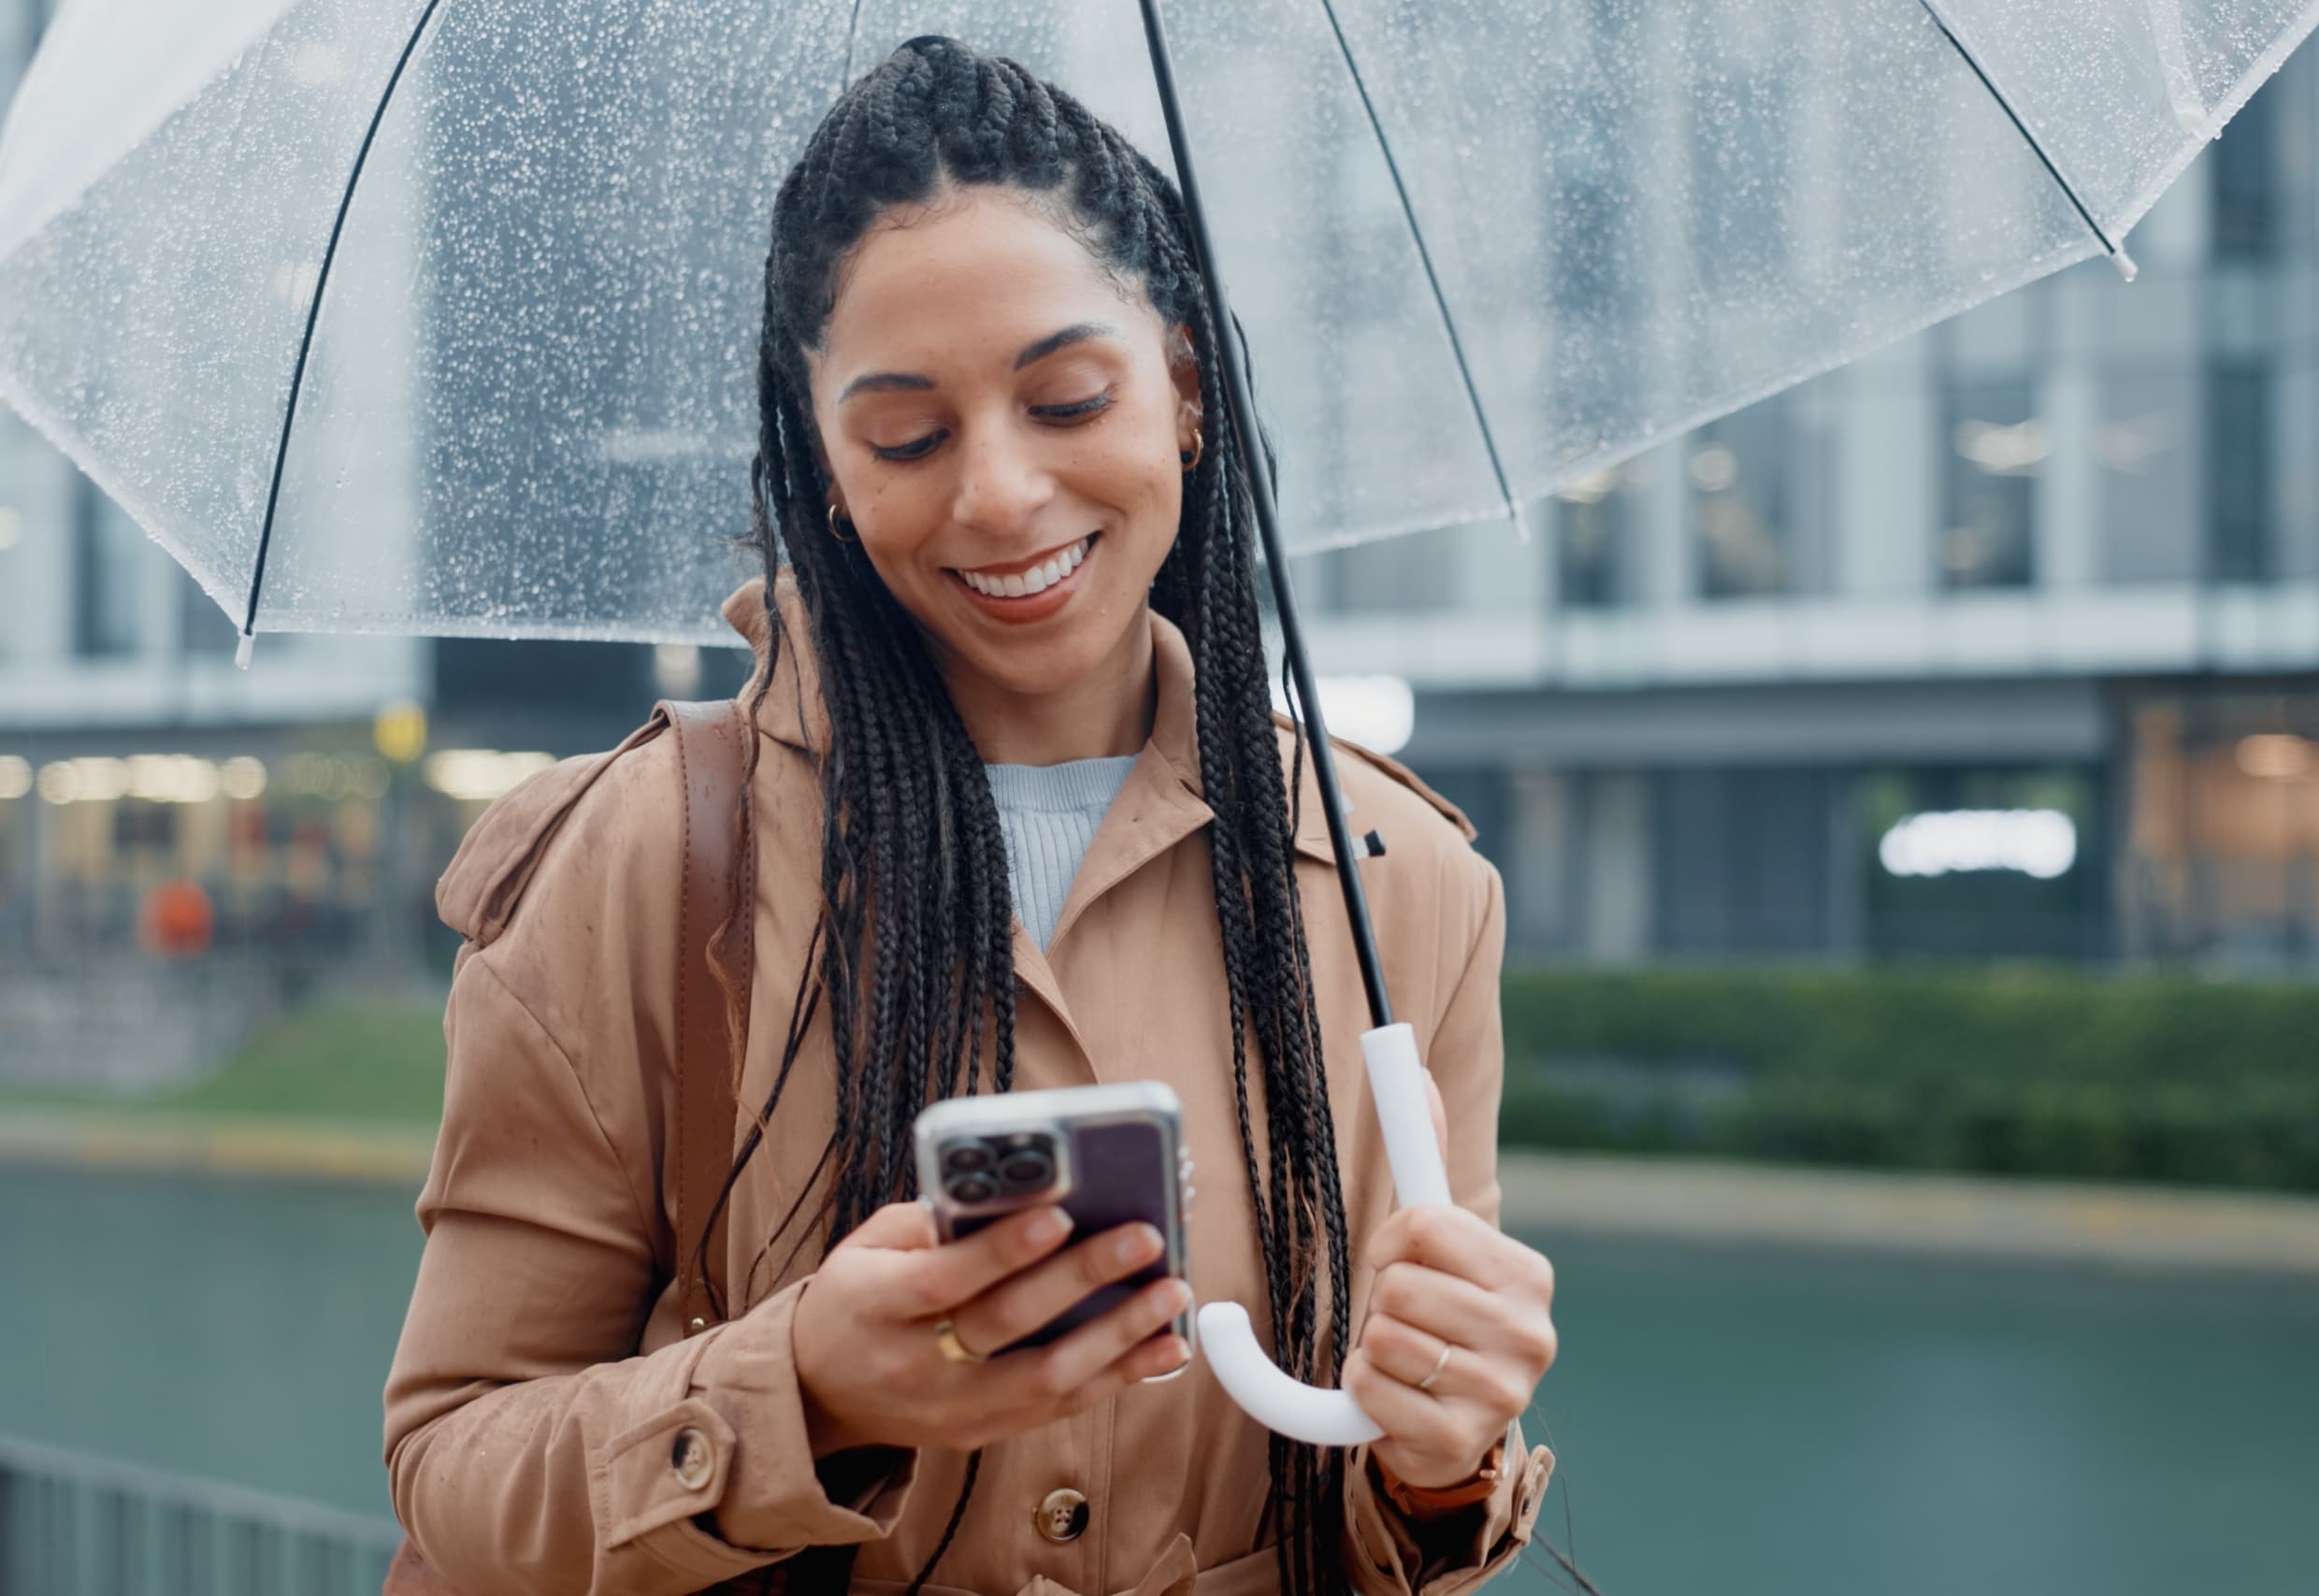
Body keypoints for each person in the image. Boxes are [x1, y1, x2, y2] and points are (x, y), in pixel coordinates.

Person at [383, 36, 1559, 1596]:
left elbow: (1379, 1528)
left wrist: (1440, 1465)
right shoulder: (636, 862)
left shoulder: (1398, 886)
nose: (1000, 495)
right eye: (907, 437)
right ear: (822, 471)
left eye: (1069, 396)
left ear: (1186, 391)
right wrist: (806, 1387)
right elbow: (452, 1474)